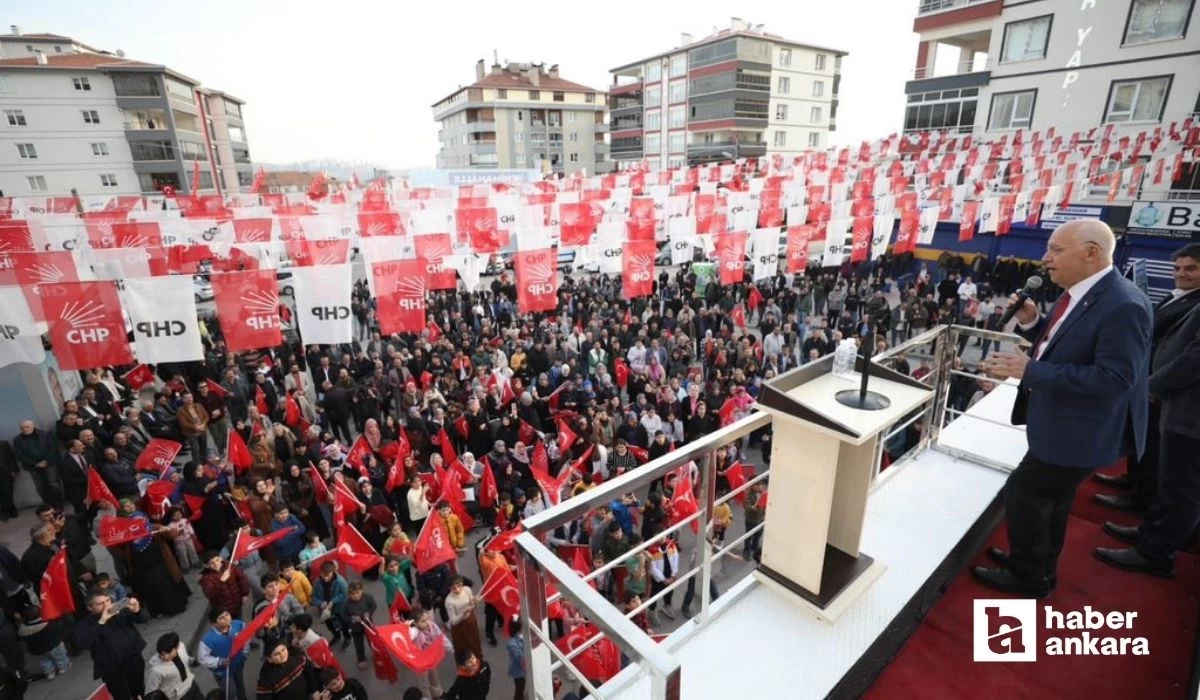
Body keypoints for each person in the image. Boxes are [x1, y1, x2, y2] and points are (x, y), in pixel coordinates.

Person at [976, 220, 1153, 597]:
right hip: (1062, 425)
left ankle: (1027, 578)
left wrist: (1031, 371)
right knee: (1050, 500)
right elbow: (1062, 343)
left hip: (1080, 431)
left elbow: (1114, 379)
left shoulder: (1124, 305)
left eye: (1056, 250)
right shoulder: (1077, 291)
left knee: (1026, 493)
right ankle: (1037, 568)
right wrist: (1031, 323)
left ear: (1091, 253)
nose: (1046, 259)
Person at [1094, 243, 1200, 576]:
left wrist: (1149, 386)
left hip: (1190, 415)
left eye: (1191, 268)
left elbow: (1193, 360)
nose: (1182, 274)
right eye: (1178, 268)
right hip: (1175, 406)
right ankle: (1150, 533)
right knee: (1167, 482)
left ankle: (1155, 554)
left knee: (1180, 490)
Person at [74, 590, 149, 700]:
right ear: (90, 608)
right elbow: (83, 643)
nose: (106, 605)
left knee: (139, 689)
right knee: (121, 696)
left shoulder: (119, 611)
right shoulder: (84, 625)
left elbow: (144, 618)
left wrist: (136, 610)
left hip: (133, 657)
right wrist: (102, 621)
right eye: (100, 603)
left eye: (107, 600)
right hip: (112, 668)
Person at [198, 609, 248, 700]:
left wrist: (245, 652)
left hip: (238, 664)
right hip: (223, 671)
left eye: (227, 614)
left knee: (239, 683)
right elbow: (203, 658)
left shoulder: (238, 624)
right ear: (214, 624)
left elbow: (246, 636)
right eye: (221, 617)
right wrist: (219, 661)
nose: (226, 618)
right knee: (230, 691)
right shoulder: (207, 640)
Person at [16, 605, 69, 681]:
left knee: (45, 661)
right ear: (40, 614)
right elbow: (59, 626)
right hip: (53, 646)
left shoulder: (23, 629)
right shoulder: (47, 625)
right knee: (60, 657)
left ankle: (50, 673)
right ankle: (63, 668)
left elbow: (22, 638)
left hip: (38, 651)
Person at [144, 631, 203, 700]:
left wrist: (193, 661)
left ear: (177, 647)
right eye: (162, 654)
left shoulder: (181, 647)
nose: (165, 657)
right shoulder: (156, 671)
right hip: (178, 697)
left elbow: (186, 658)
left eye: (168, 652)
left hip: (192, 686)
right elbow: (151, 692)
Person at [255, 641, 321, 700]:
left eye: (283, 649)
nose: (282, 655)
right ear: (270, 659)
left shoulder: (297, 657)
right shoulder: (266, 678)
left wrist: (314, 690)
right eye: (277, 654)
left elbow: (309, 674)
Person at [313, 561, 350, 649]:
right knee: (330, 625)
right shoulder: (317, 582)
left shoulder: (340, 581)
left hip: (339, 608)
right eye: (323, 575)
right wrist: (320, 603)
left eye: (328, 576)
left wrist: (333, 601)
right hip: (326, 610)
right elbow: (314, 596)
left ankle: (347, 637)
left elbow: (345, 593)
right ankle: (336, 635)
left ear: (333, 572)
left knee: (343, 624)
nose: (325, 578)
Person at [344, 581, 376, 671]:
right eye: (353, 594)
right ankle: (361, 659)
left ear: (361, 590)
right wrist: (352, 619)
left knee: (372, 640)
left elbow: (373, 606)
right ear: (349, 594)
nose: (356, 596)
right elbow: (344, 615)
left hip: (368, 624)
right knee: (358, 644)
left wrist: (369, 613)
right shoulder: (346, 603)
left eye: (358, 593)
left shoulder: (368, 597)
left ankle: (376, 653)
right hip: (356, 628)